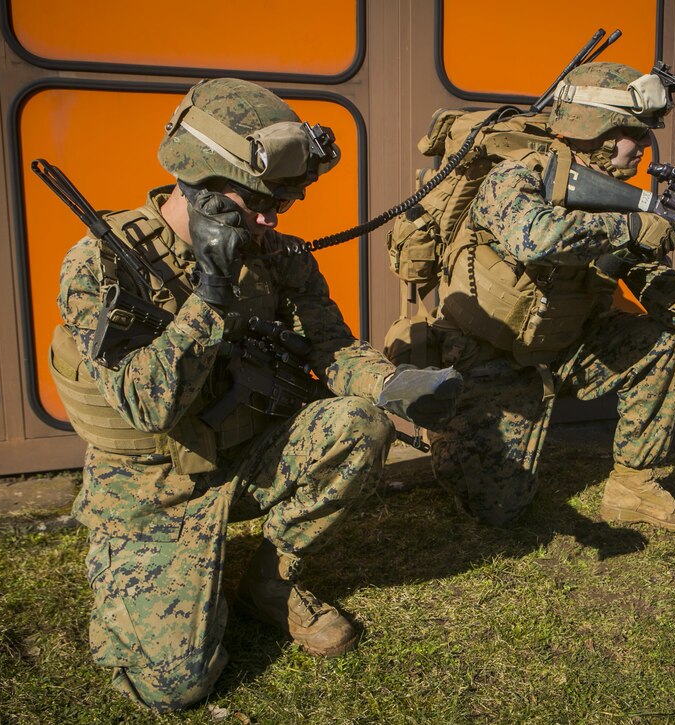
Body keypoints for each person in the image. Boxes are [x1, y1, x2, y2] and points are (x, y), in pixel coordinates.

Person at [51, 78, 461, 712]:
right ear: (201, 186)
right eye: (257, 202)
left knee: (359, 423)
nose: (271, 219)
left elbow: (330, 346)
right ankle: (159, 572)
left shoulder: (278, 254)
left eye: (283, 202)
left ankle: (270, 583)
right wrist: (209, 293)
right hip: (153, 484)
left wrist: (394, 386)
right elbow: (145, 404)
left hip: (245, 454)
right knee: (173, 688)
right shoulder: (99, 263)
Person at [429, 62, 675, 532]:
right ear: (601, 130)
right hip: (487, 355)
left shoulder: (621, 202)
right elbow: (534, 237)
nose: (647, 146)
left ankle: (632, 490)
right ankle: (449, 422)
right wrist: (631, 227)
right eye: (638, 133)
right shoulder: (515, 176)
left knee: (660, 341)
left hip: (562, 348)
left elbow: (664, 296)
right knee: (499, 511)